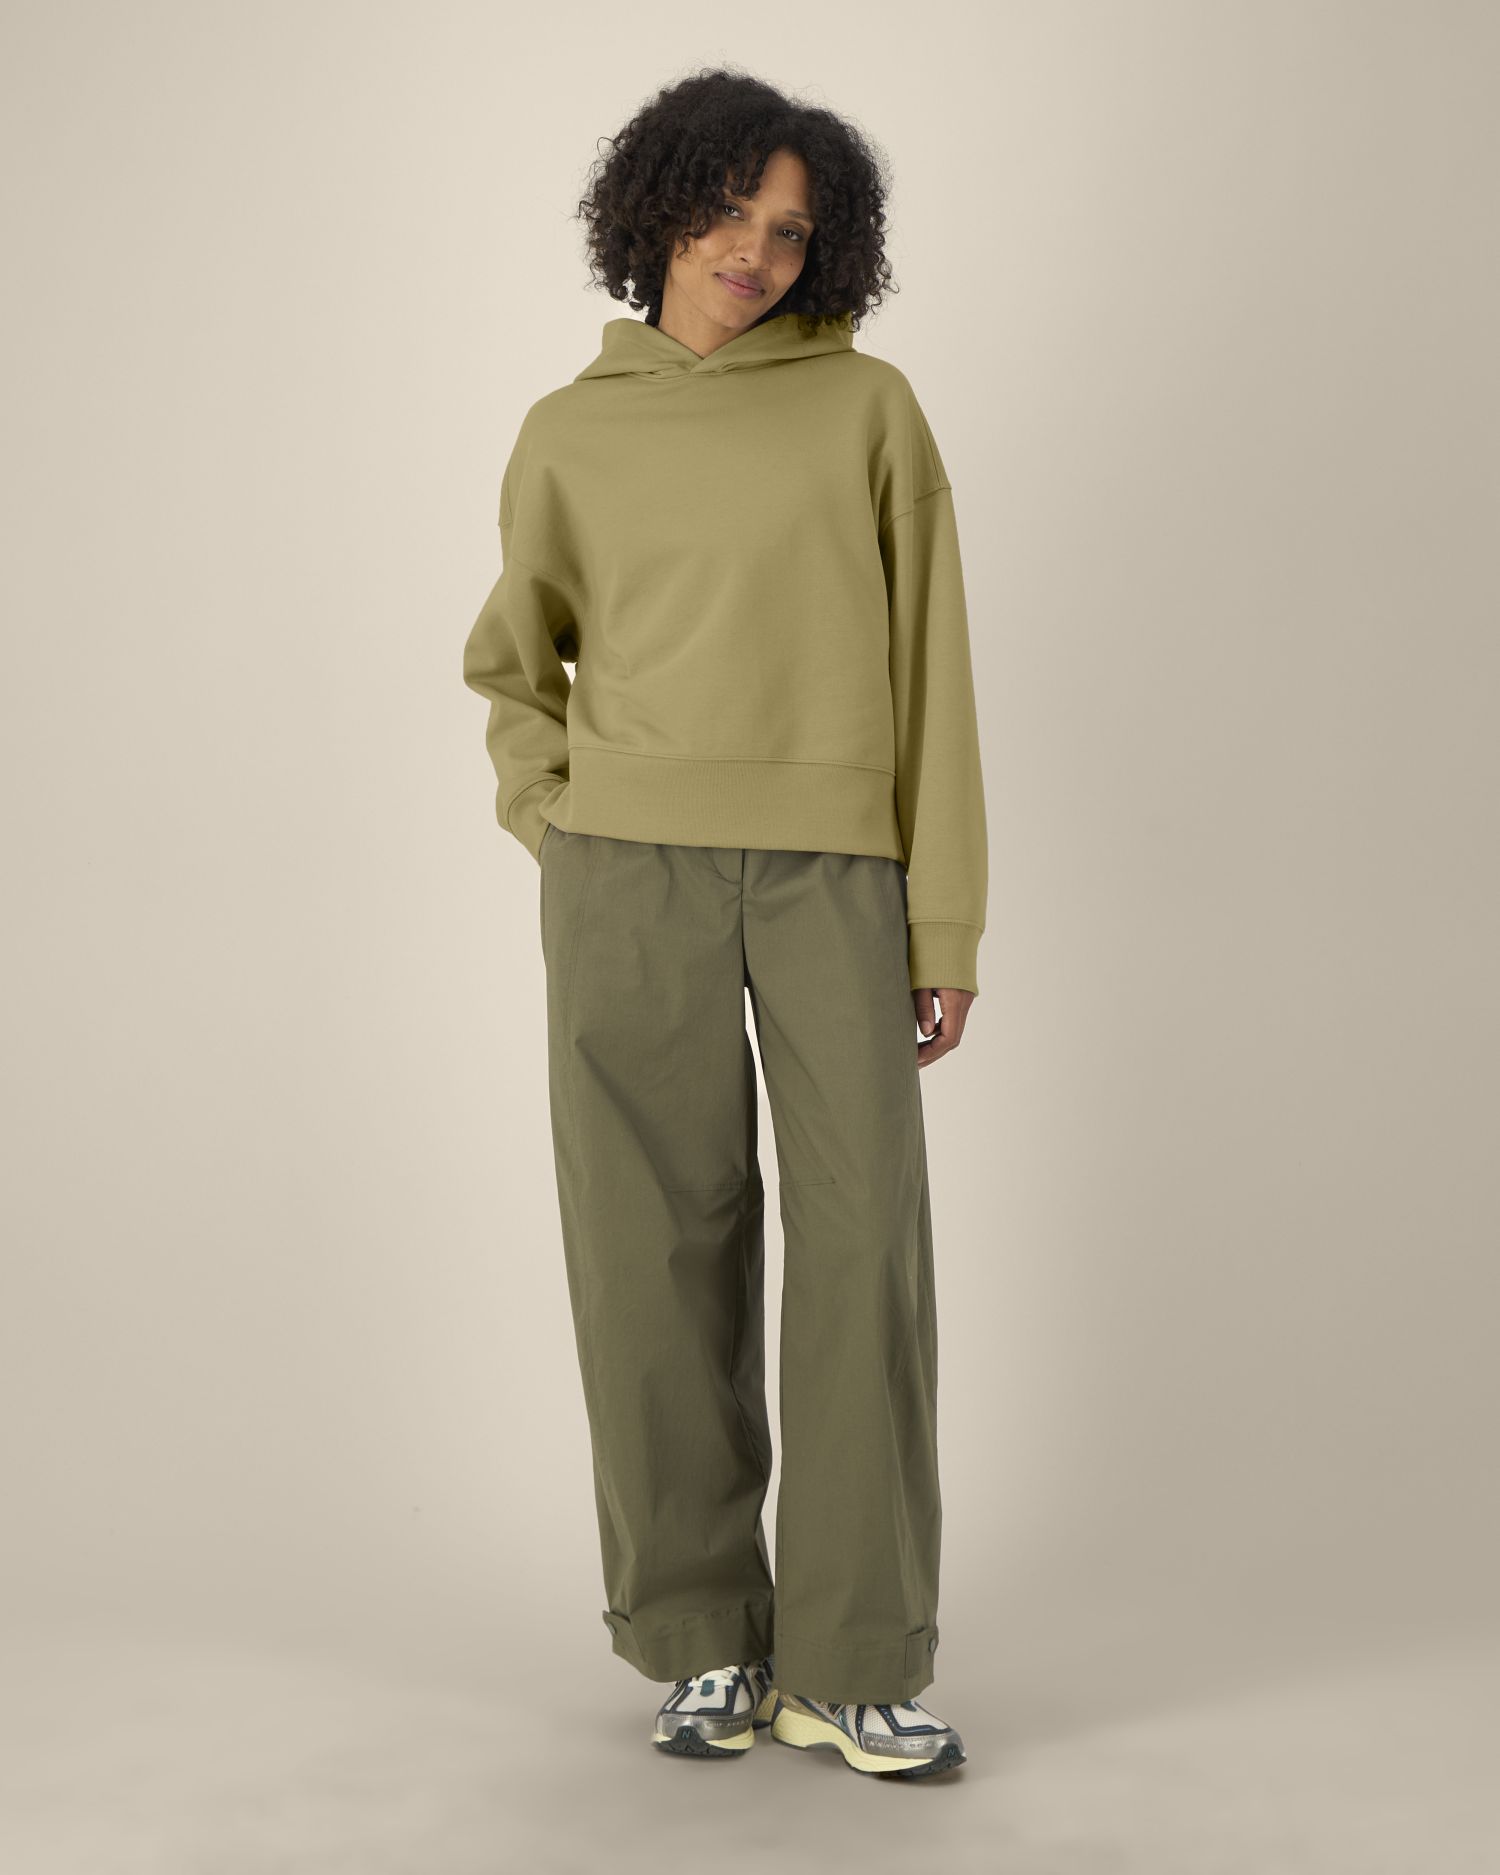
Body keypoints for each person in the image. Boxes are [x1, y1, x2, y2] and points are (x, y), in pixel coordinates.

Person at [462, 67, 986, 1781]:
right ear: (658, 208)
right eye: (729, 212)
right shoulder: (571, 431)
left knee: (863, 1250)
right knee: (649, 1252)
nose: (757, 252)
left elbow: (933, 676)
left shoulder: (870, 410)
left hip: (835, 874)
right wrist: (557, 818)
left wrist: (944, 922)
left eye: (792, 231)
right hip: (628, 876)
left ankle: (854, 1655)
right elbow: (513, 660)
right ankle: (699, 1638)